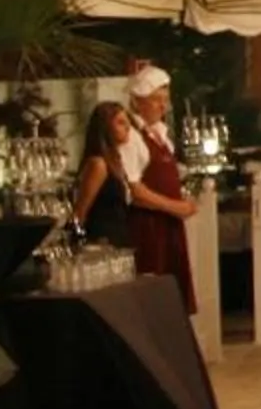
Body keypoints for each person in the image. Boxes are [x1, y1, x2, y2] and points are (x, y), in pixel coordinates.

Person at [117, 63, 200, 313]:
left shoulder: (160, 135)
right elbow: (135, 191)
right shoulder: (131, 138)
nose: (163, 106)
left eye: (165, 99)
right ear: (137, 101)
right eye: (156, 100)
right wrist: (175, 207)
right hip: (149, 227)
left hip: (168, 224)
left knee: (173, 295)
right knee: (154, 298)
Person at [72, 101, 136, 246]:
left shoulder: (116, 161)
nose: (128, 127)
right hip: (101, 242)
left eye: (128, 122)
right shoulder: (98, 164)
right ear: (105, 127)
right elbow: (81, 210)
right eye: (120, 122)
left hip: (119, 240)